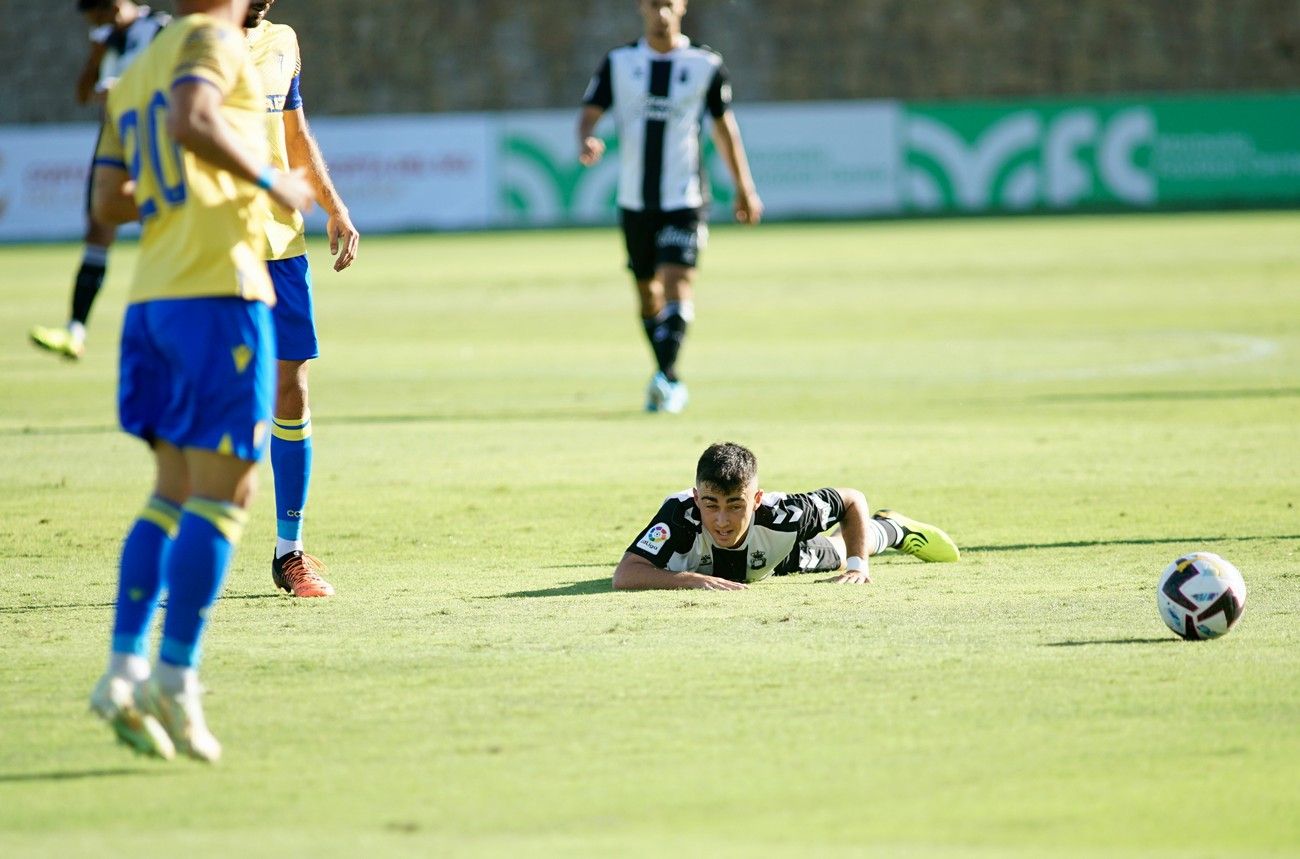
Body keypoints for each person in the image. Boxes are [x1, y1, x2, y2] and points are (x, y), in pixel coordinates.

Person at [87, 0, 314, 762]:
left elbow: (105, 202)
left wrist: (176, 194)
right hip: (219, 293)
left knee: (172, 492)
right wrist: (269, 182)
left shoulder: (138, 62)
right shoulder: (216, 39)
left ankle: (123, 669)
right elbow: (192, 119)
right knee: (225, 494)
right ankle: (175, 676)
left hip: (154, 298)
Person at [578, 0, 763, 413]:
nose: (661, 12)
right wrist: (586, 138)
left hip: (685, 197)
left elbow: (724, 129)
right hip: (634, 200)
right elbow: (589, 112)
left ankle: (667, 381)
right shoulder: (619, 62)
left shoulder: (705, 64)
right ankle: (666, 374)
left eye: (668, 4)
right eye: (653, 4)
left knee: (678, 281)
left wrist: (744, 188)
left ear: (682, 6)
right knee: (647, 294)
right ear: (640, 8)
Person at [245, 0, 360, 598]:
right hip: (214, 248)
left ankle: (290, 551)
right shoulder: (187, 45)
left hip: (282, 247)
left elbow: (294, 132)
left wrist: (334, 206)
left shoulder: (284, 40)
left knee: (292, 388)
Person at [29, 0, 171, 361]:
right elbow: (82, 96)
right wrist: (95, 58)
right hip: (113, 140)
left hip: (152, 140)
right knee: (98, 227)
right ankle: (75, 331)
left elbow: (174, 80)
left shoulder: (159, 28)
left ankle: (172, 324)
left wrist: (128, 87)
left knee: (165, 224)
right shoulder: (105, 40)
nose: (93, 20)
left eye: (96, 12)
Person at [613, 442, 960, 590]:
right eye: (710, 504)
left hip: (779, 556)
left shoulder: (783, 515)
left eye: (736, 505)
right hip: (740, 565)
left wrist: (859, 567)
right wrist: (690, 579)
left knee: (842, 553)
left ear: (757, 500)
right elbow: (626, 574)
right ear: (695, 497)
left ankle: (892, 529)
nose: (721, 520)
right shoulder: (679, 515)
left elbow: (852, 500)